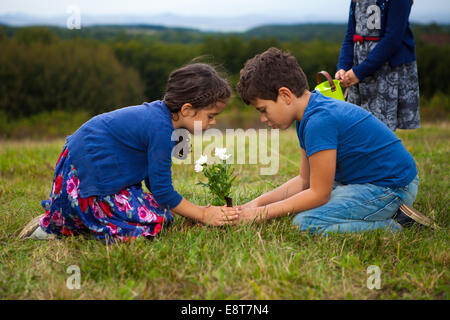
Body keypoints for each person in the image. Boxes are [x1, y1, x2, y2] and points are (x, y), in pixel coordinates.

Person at [19, 63, 239, 243]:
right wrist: (202, 214)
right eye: (211, 115)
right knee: (152, 224)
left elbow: (154, 183)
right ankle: (54, 228)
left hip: (85, 170)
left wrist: (190, 211)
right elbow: (162, 191)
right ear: (187, 110)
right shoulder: (161, 130)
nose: (214, 121)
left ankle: (66, 217)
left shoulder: (162, 117)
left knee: (163, 214)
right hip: (86, 179)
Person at [235, 47, 432, 234]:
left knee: (305, 223)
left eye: (263, 109)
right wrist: (257, 204)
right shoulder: (307, 115)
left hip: (391, 187)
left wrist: (261, 214)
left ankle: (398, 224)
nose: (263, 118)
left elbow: (319, 194)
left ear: (285, 95)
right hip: (366, 181)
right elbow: (305, 181)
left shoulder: (319, 121)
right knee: (299, 203)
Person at [336, 0, 420, 131]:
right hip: (357, 69)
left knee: (381, 129)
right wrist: (343, 67)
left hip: (386, 70)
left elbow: (393, 38)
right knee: (357, 125)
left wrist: (360, 72)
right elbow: (350, 37)